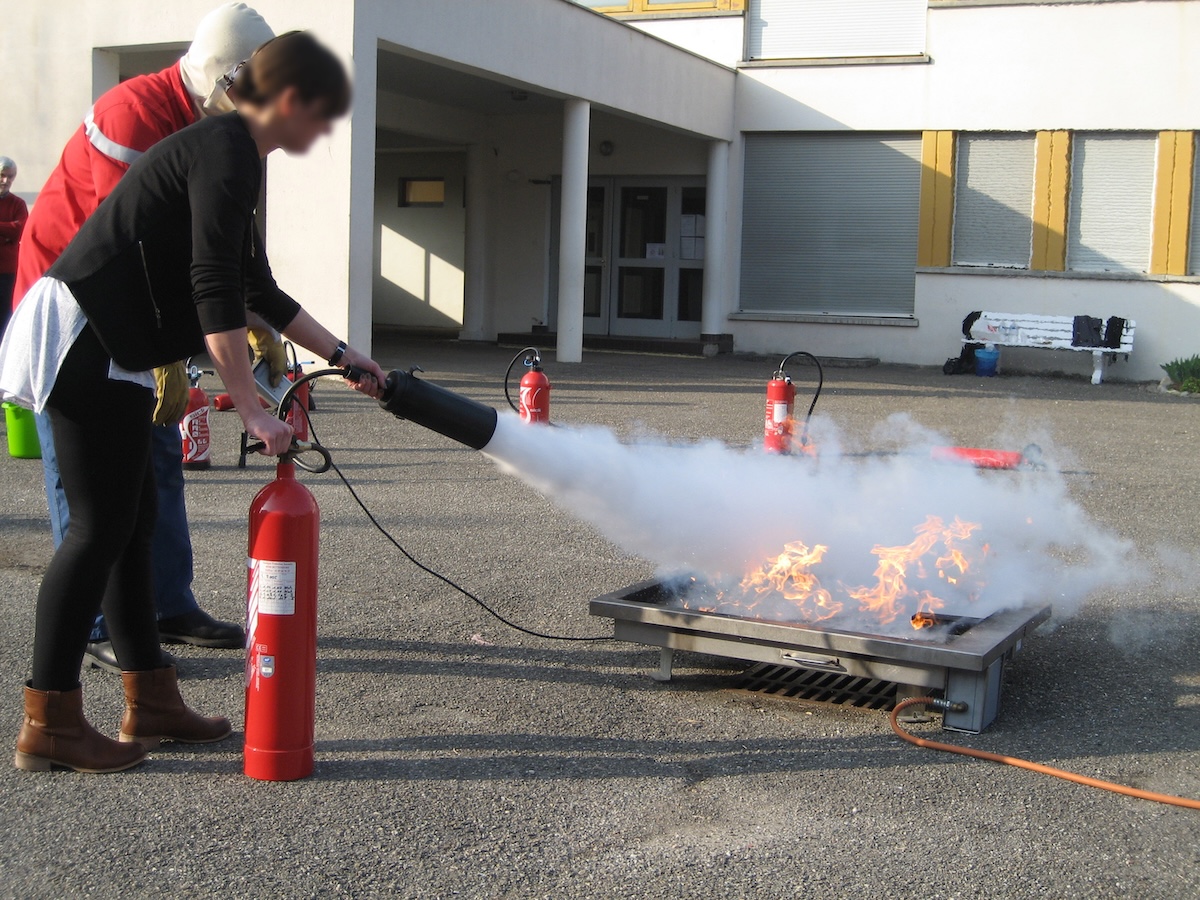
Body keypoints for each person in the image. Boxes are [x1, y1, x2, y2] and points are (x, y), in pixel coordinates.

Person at [0, 30, 387, 774]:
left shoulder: (235, 152)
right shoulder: (227, 148)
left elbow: (255, 287)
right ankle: (49, 721)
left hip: (113, 344)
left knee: (132, 524)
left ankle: (150, 699)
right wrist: (252, 407)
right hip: (83, 336)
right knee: (97, 530)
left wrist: (344, 356)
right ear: (292, 99)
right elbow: (214, 286)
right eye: (324, 114)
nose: (325, 132)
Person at [13, 3, 279, 672]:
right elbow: (130, 240)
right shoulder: (133, 112)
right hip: (74, 318)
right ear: (229, 75)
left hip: (134, 320)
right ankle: (96, 627)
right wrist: (182, 357)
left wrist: (260, 319)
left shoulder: (219, 128)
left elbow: (223, 250)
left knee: (154, 470)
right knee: (90, 496)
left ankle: (165, 606)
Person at [0, 158, 28, 333]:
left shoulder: (18, 204)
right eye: (2, 175)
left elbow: (20, 230)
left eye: (10, 177)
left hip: (7, 273)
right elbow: (12, 229)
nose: (6, 181)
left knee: (5, 319)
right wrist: (7, 230)